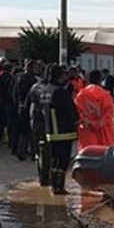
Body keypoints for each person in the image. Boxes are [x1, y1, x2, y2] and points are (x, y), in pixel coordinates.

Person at [37, 64, 79, 195]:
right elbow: (70, 110)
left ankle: (53, 185)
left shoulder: (45, 90)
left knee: (54, 159)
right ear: (60, 76)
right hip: (63, 131)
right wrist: (77, 120)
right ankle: (59, 187)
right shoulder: (60, 91)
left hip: (50, 130)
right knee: (63, 160)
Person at [75, 69, 114, 149]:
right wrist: (97, 123)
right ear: (100, 80)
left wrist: (88, 122)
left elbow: (77, 113)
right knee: (104, 153)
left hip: (87, 132)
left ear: (88, 79)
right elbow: (108, 115)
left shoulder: (81, 95)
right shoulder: (105, 95)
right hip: (104, 133)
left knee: (88, 153)